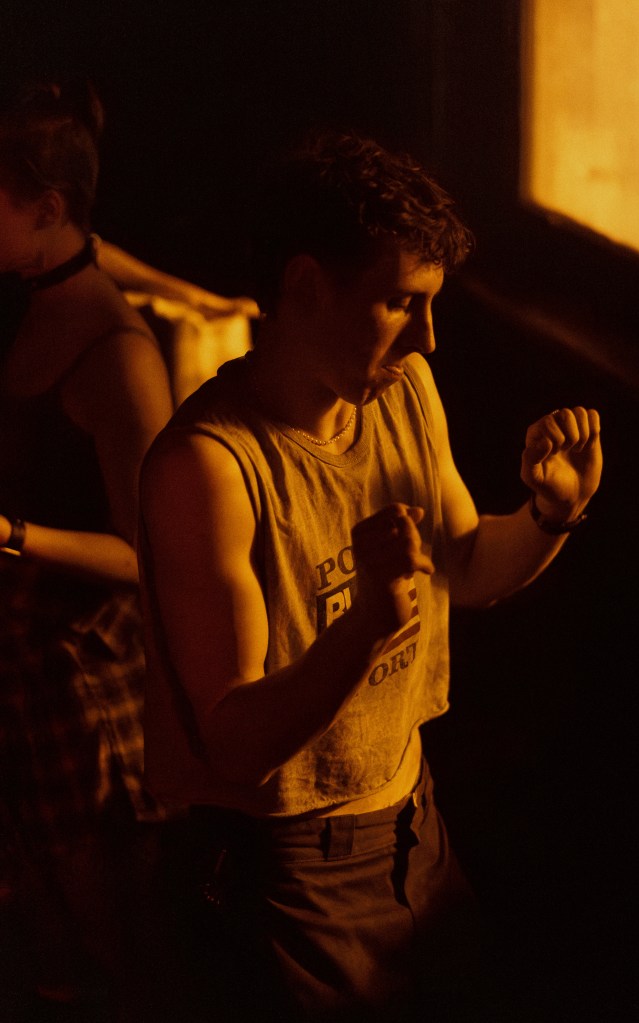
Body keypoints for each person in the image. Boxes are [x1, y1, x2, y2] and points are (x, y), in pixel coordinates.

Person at [138, 130, 603, 1022]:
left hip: (413, 815)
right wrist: (366, 624)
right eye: (400, 302)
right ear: (306, 284)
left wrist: (550, 515)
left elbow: (468, 568)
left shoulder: (403, 389)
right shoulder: (211, 466)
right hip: (293, 867)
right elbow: (234, 742)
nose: (426, 336)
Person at [0, 78, 226, 1020]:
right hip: (20, 659)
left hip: (82, 675)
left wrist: (12, 536)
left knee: (123, 937)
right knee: (47, 924)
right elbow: (99, 248)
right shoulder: (28, 283)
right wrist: (185, 291)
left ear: (47, 209)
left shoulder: (118, 357)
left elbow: (152, 559)